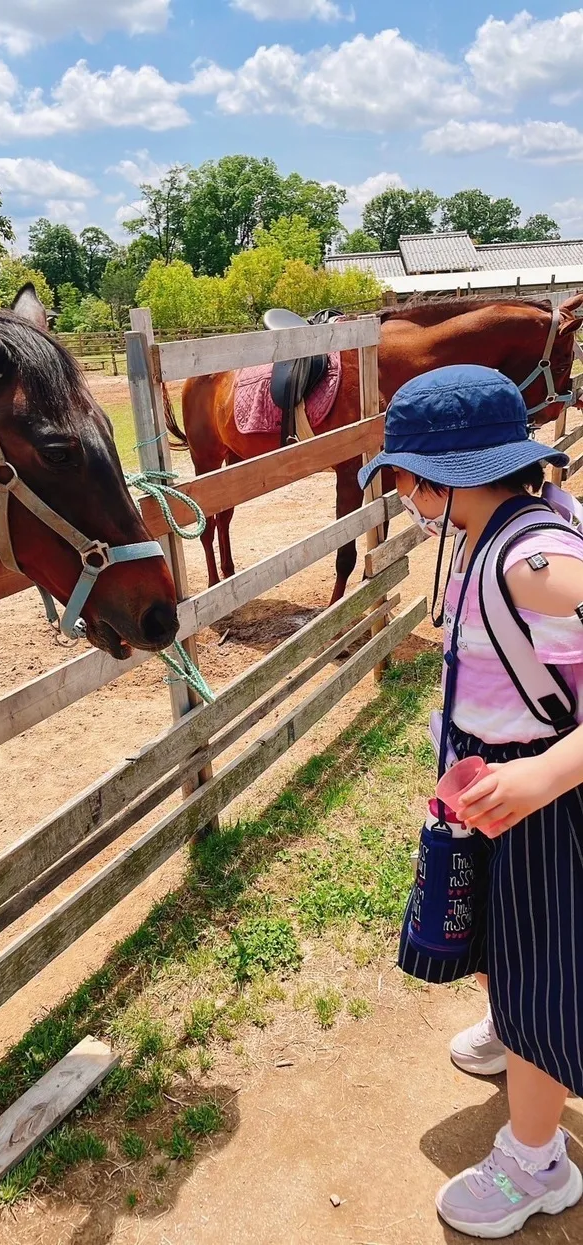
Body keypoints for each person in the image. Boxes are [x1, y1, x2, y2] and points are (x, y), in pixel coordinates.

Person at [359, 364, 583, 1239]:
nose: (406, 495)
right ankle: (514, 1021)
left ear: (449, 477)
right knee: (503, 939)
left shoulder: (536, 561)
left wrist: (542, 777)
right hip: (491, 793)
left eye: (409, 477)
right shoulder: (510, 526)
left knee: (537, 977)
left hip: (535, 805)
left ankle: (537, 1160)